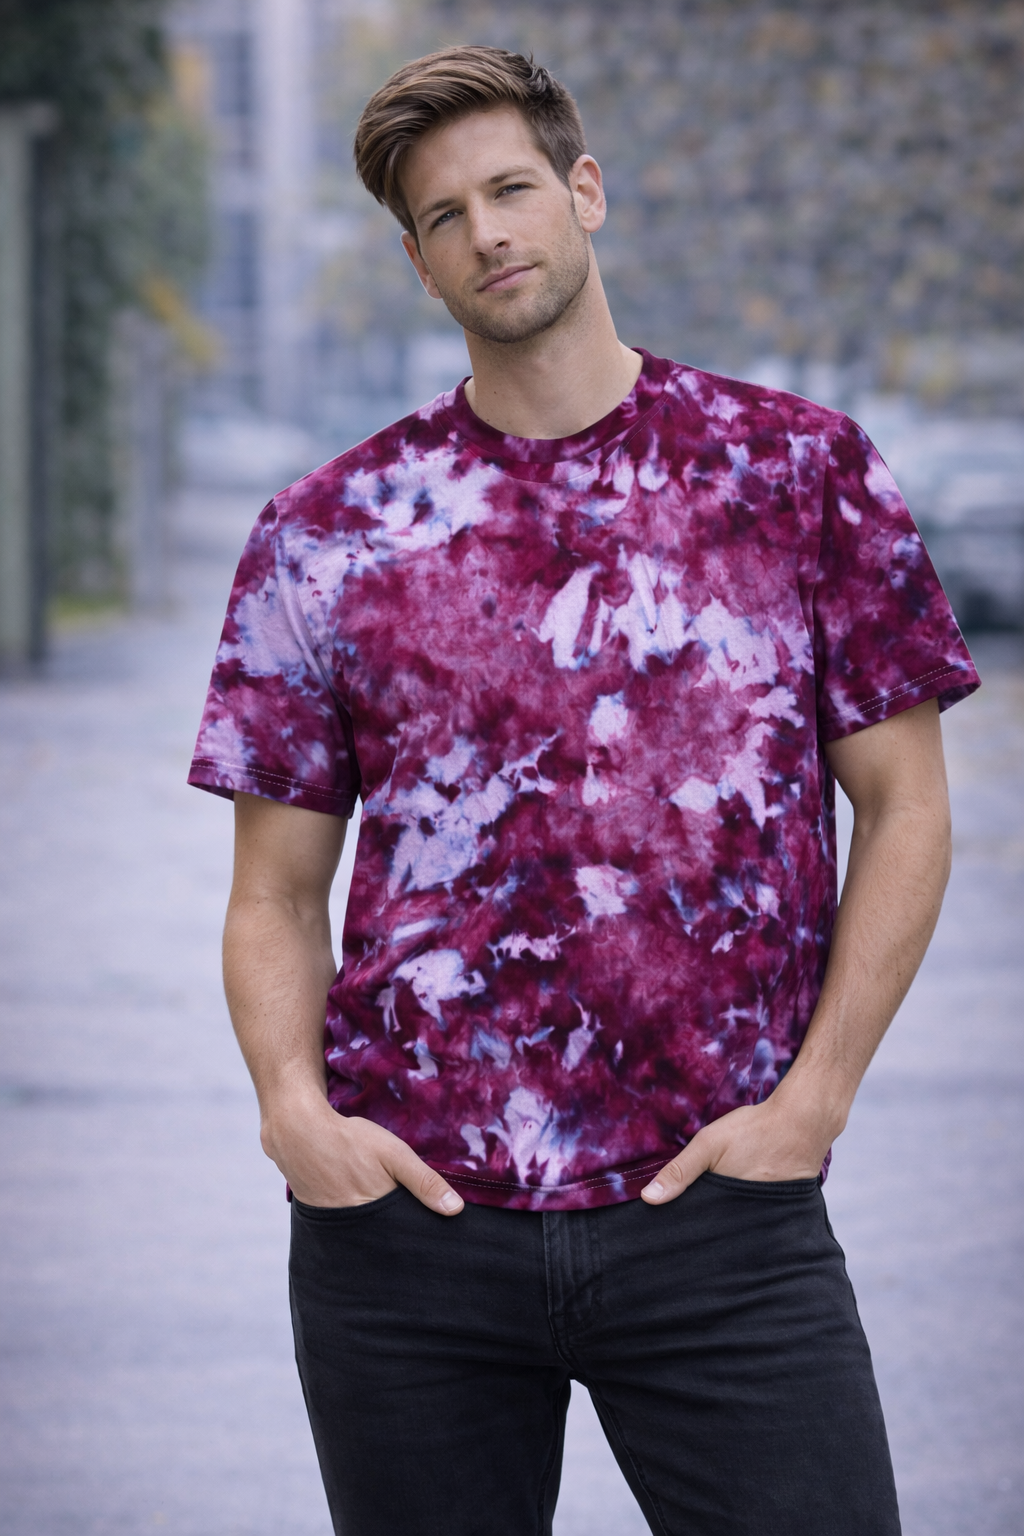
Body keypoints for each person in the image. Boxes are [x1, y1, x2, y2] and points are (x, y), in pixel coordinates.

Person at [189, 45, 979, 1536]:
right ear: (417, 263)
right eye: (444, 216)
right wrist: (297, 1116)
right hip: (409, 1230)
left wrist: (813, 1104)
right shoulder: (328, 533)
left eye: (511, 189)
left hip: (724, 1212)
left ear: (584, 192)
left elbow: (911, 807)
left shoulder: (796, 475)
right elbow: (275, 890)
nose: (489, 232)